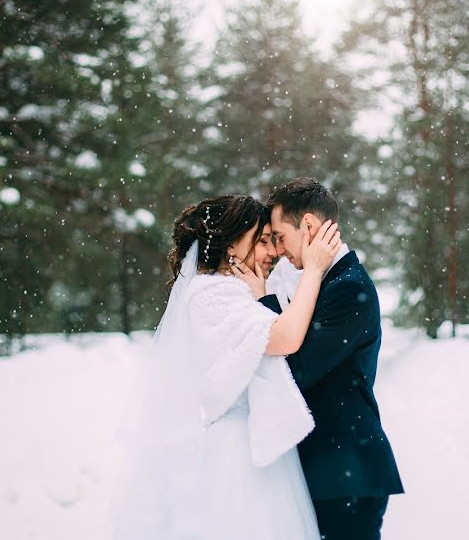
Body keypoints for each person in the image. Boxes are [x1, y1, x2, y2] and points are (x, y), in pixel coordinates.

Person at [110, 195, 342, 540]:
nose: (272, 252)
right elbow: (285, 337)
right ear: (232, 244)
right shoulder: (211, 293)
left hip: (255, 448)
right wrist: (314, 270)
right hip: (237, 458)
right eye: (262, 240)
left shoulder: (234, 291)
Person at [257, 177, 405, 540]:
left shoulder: (348, 287)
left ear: (307, 225)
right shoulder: (318, 281)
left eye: (279, 236)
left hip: (345, 472)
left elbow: (295, 370)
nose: (277, 249)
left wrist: (261, 299)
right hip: (327, 469)